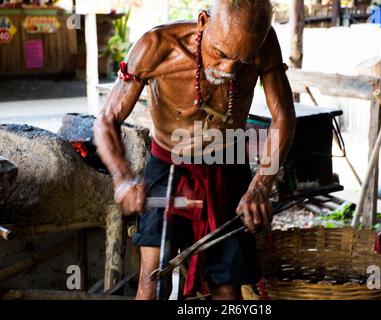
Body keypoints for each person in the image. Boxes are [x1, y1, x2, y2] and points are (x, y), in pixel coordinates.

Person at [94, 0, 296, 300]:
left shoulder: (264, 45)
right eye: (222, 54)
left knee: (226, 285)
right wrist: (123, 178)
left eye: (242, 60)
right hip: (168, 167)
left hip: (228, 165)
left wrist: (260, 185)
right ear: (203, 21)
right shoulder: (156, 46)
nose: (229, 70)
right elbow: (106, 118)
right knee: (154, 276)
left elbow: (283, 115)